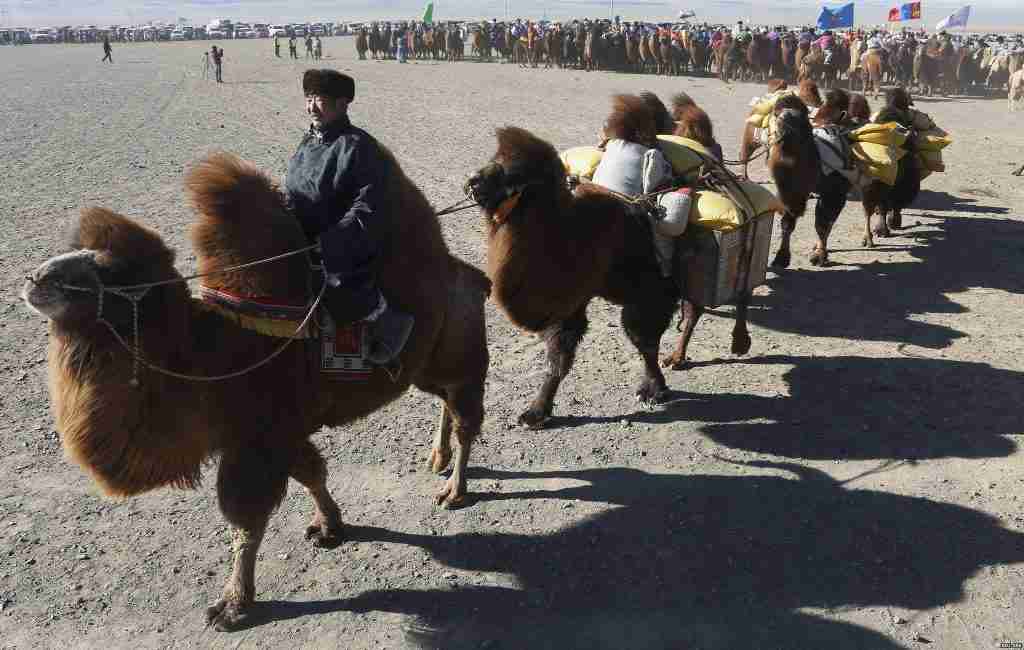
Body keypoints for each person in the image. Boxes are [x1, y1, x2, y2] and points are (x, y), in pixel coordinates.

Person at [284, 70, 414, 365]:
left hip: (344, 242)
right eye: (308, 98)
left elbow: (368, 205)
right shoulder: (308, 142)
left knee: (340, 289)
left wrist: (329, 241)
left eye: (320, 99)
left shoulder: (359, 146)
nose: (311, 107)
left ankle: (386, 326)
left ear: (343, 103)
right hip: (301, 238)